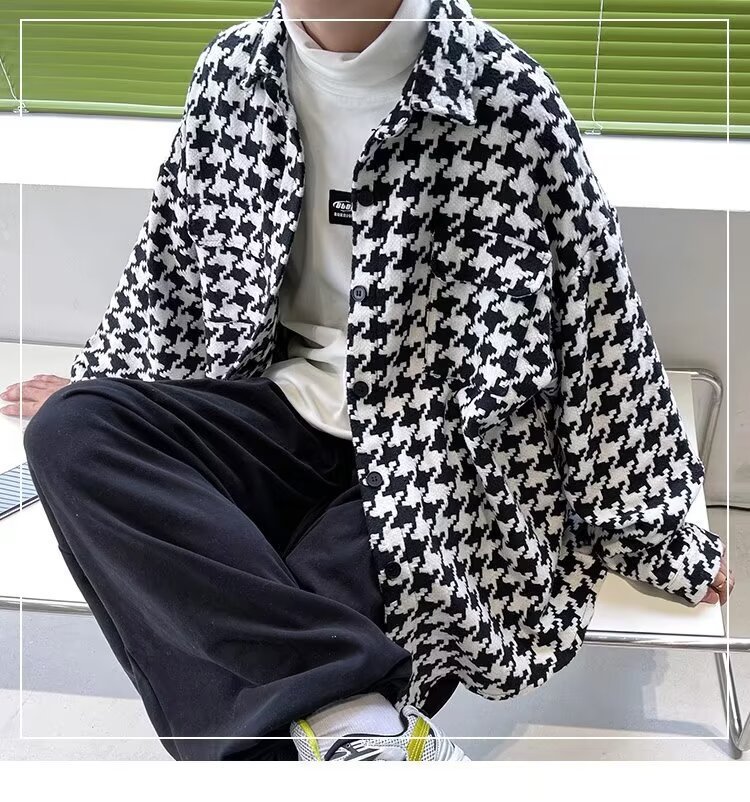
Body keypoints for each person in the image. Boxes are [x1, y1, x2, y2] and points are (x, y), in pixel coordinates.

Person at [1, 0, 734, 762]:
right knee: (71, 430)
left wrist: (660, 533)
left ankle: (343, 727)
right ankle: (361, 723)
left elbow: (600, 327)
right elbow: (172, 271)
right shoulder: (233, 76)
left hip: (437, 452)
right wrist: (109, 378)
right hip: (280, 410)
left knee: (297, 619)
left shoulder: (503, 96)